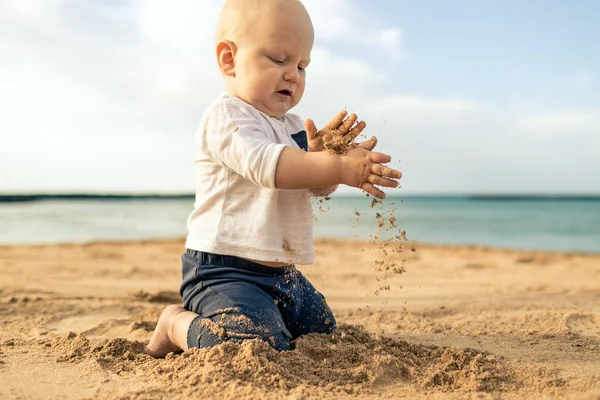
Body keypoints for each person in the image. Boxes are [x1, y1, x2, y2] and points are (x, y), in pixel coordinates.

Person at [145, 0, 402, 357]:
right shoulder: (227, 117)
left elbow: (315, 185)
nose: (294, 75)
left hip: (283, 276)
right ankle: (176, 324)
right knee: (254, 346)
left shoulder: (293, 126)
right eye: (279, 60)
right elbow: (272, 168)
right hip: (223, 272)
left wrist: (327, 160)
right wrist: (338, 166)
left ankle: (269, 315)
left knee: (324, 332)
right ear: (229, 59)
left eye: (302, 65)